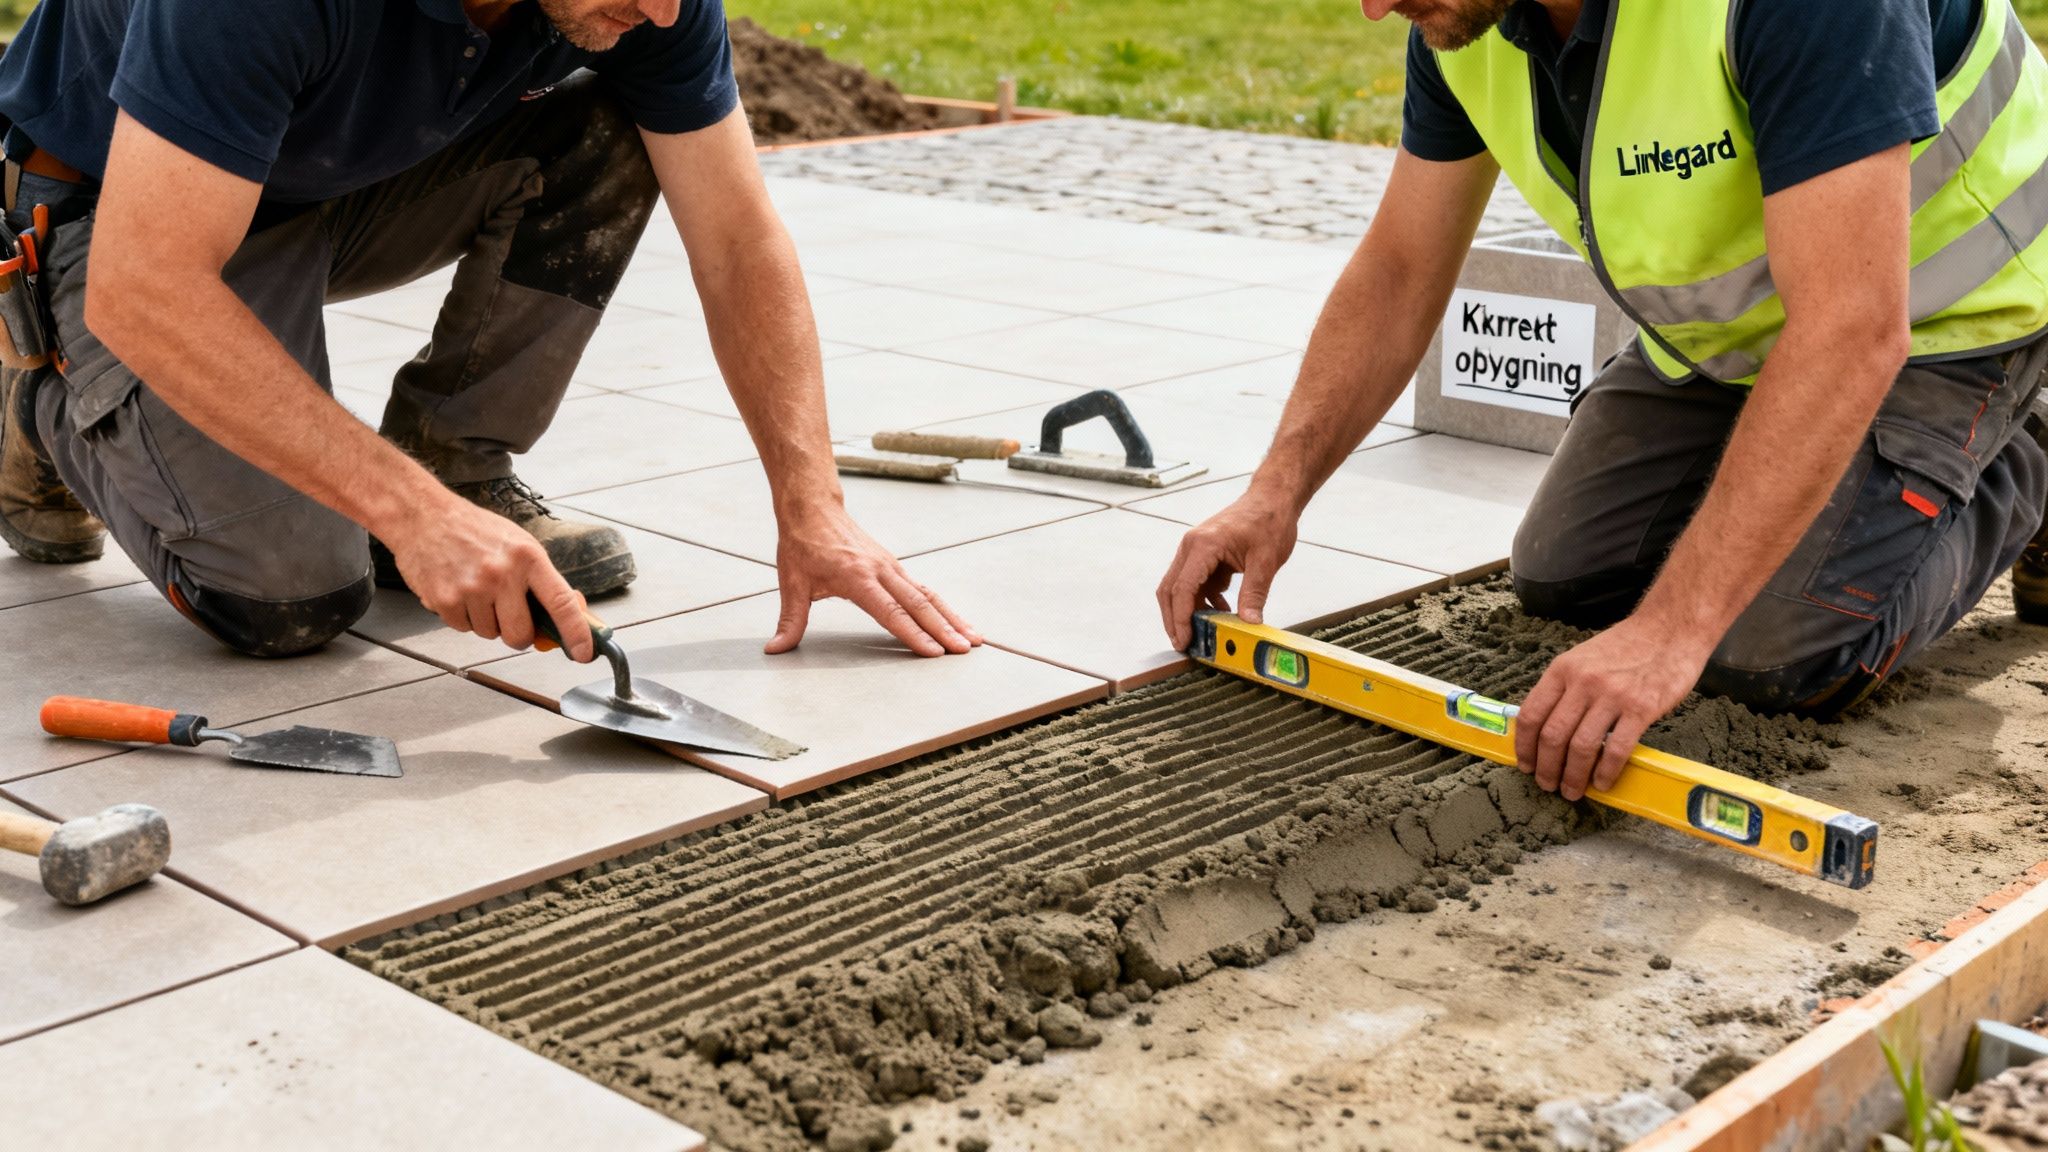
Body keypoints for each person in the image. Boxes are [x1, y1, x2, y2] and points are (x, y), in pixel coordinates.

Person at [1159, 0, 2048, 801]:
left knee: (1772, 654)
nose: (1373, 6)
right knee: (1563, 575)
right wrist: (1274, 490)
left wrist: (1670, 632)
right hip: (1735, 340)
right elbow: (1399, 268)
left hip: (1959, 316)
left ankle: (2029, 441)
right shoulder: (1465, 22)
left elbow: (1853, 328)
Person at [0, 0, 979, 665]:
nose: (669, 11)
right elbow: (146, 285)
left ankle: (455, 460)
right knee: (286, 604)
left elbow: (736, 240)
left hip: (319, 179)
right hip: (110, 213)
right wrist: (409, 517)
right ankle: (42, 397)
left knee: (616, 128)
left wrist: (812, 507)